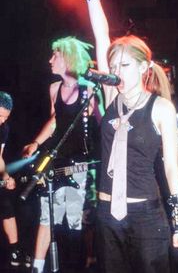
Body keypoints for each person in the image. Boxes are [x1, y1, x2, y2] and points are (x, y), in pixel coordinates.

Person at [76, 0, 178, 273]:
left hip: (146, 218)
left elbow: (171, 168)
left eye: (126, 66)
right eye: (114, 67)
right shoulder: (111, 97)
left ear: (144, 68)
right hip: (106, 216)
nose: (117, 72)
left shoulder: (160, 109)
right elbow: (101, 35)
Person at [23, 36, 103, 273]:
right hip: (57, 159)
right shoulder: (54, 88)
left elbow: (102, 121)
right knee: (48, 216)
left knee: (74, 219)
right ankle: (37, 267)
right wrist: (36, 142)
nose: (49, 60)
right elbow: (55, 121)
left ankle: (79, 263)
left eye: (54, 56)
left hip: (80, 162)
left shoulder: (87, 88)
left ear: (66, 58)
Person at [0, 91, 31, 268]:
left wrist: (6, 177)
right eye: (0, 116)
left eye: (5, 117)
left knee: (6, 204)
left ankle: (15, 249)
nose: (2, 121)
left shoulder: (3, 128)